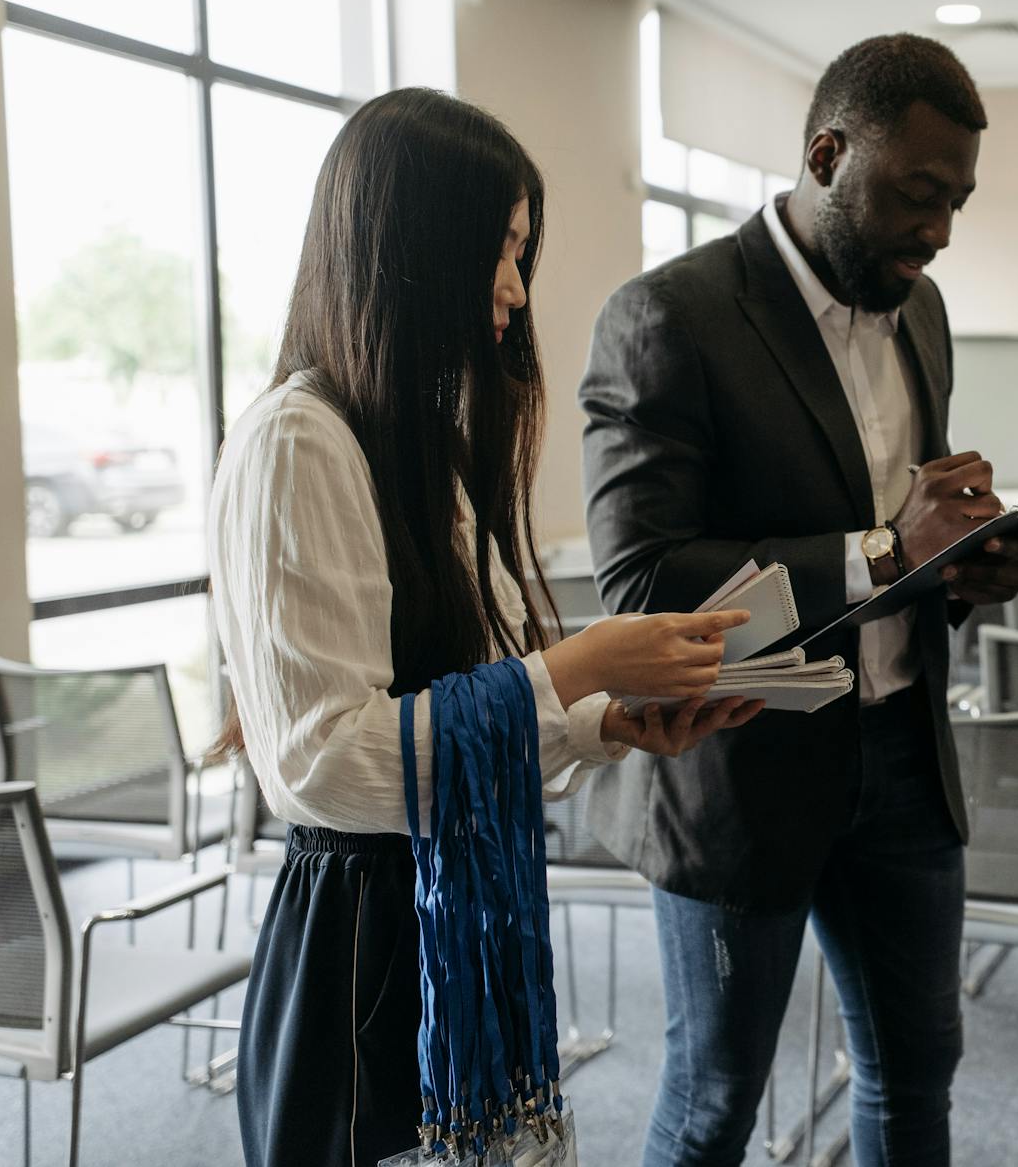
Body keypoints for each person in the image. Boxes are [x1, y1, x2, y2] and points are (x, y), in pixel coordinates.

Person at [208, 88, 762, 1167]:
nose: (515, 289)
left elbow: (474, 707)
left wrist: (609, 720)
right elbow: (322, 762)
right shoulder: (299, 443)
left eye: (522, 253)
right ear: (406, 250)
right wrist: (565, 675)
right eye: (497, 252)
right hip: (363, 948)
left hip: (446, 908)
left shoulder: (419, 443)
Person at [579, 35, 1018, 1166]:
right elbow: (642, 585)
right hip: (741, 772)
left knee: (913, 1073)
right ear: (826, 154)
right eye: (918, 194)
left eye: (957, 204)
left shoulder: (920, 310)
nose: (937, 232)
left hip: (902, 757)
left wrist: (964, 566)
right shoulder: (668, 317)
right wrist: (886, 554)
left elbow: (908, 537)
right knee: (713, 1101)